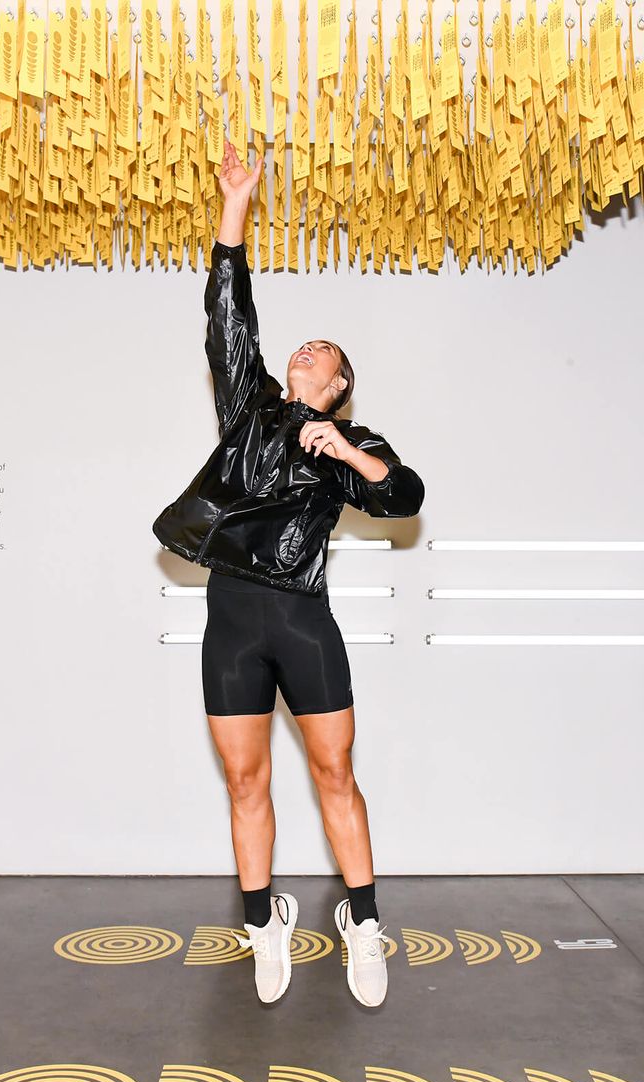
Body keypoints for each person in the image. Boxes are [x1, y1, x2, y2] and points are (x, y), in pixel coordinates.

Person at [152, 140, 425, 1007]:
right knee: (246, 780)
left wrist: (344, 447)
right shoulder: (249, 412)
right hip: (232, 615)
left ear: (339, 386)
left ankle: (364, 922)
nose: (303, 352)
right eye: (300, 346)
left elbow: (404, 496)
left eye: (321, 353)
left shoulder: (352, 445)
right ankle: (262, 922)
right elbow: (227, 314)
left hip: (303, 619)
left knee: (335, 775)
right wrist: (236, 202)